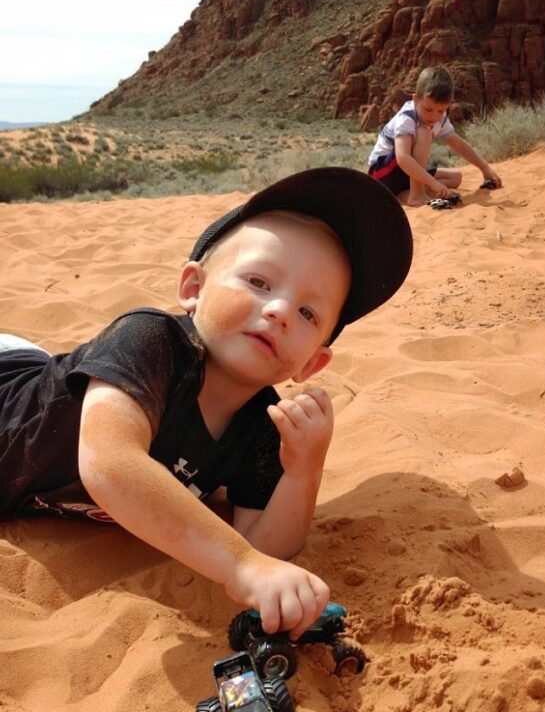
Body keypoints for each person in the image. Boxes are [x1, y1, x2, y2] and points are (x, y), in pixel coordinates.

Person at [0, 167, 412, 639]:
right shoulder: (149, 338)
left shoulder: (263, 426)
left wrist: (303, 471)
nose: (278, 311)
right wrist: (241, 567)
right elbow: (110, 463)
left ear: (312, 364)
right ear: (192, 289)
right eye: (259, 282)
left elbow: (265, 546)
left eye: (307, 312)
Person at [368, 65, 503, 207]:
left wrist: (484, 168)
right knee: (424, 132)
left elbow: (458, 144)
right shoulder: (407, 117)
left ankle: (403, 193)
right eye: (428, 109)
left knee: (455, 178)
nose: (434, 116)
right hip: (381, 174)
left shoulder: (440, 119)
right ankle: (417, 195)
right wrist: (434, 184)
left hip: (402, 175)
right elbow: (403, 158)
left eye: (440, 111)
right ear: (415, 99)